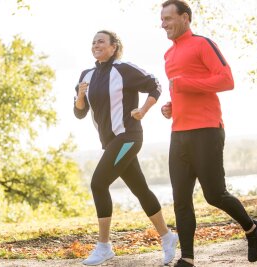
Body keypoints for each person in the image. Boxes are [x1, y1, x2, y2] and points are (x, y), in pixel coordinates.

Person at [159, 1, 257, 266]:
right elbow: (181, 91)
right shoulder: (168, 55)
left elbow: (226, 80)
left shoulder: (202, 44)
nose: (163, 24)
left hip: (206, 130)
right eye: (161, 19)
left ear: (185, 18)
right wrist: (171, 107)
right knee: (180, 200)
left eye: (168, 18)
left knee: (214, 194)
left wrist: (186, 85)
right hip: (178, 133)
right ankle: (187, 259)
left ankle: (253, 229)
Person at [73, 30, 178, 266]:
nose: (95, 44)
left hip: (128, 137)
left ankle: (104, 246)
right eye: (93, 41)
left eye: (101, 41)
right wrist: (80, 96)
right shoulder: (86, 75)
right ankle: (167, 237)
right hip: (112, 143)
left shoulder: (123, 69)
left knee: (98, 183)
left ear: (114, 46)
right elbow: (79, 112)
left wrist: (143, 110)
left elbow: (155, 85)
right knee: (140, 189)